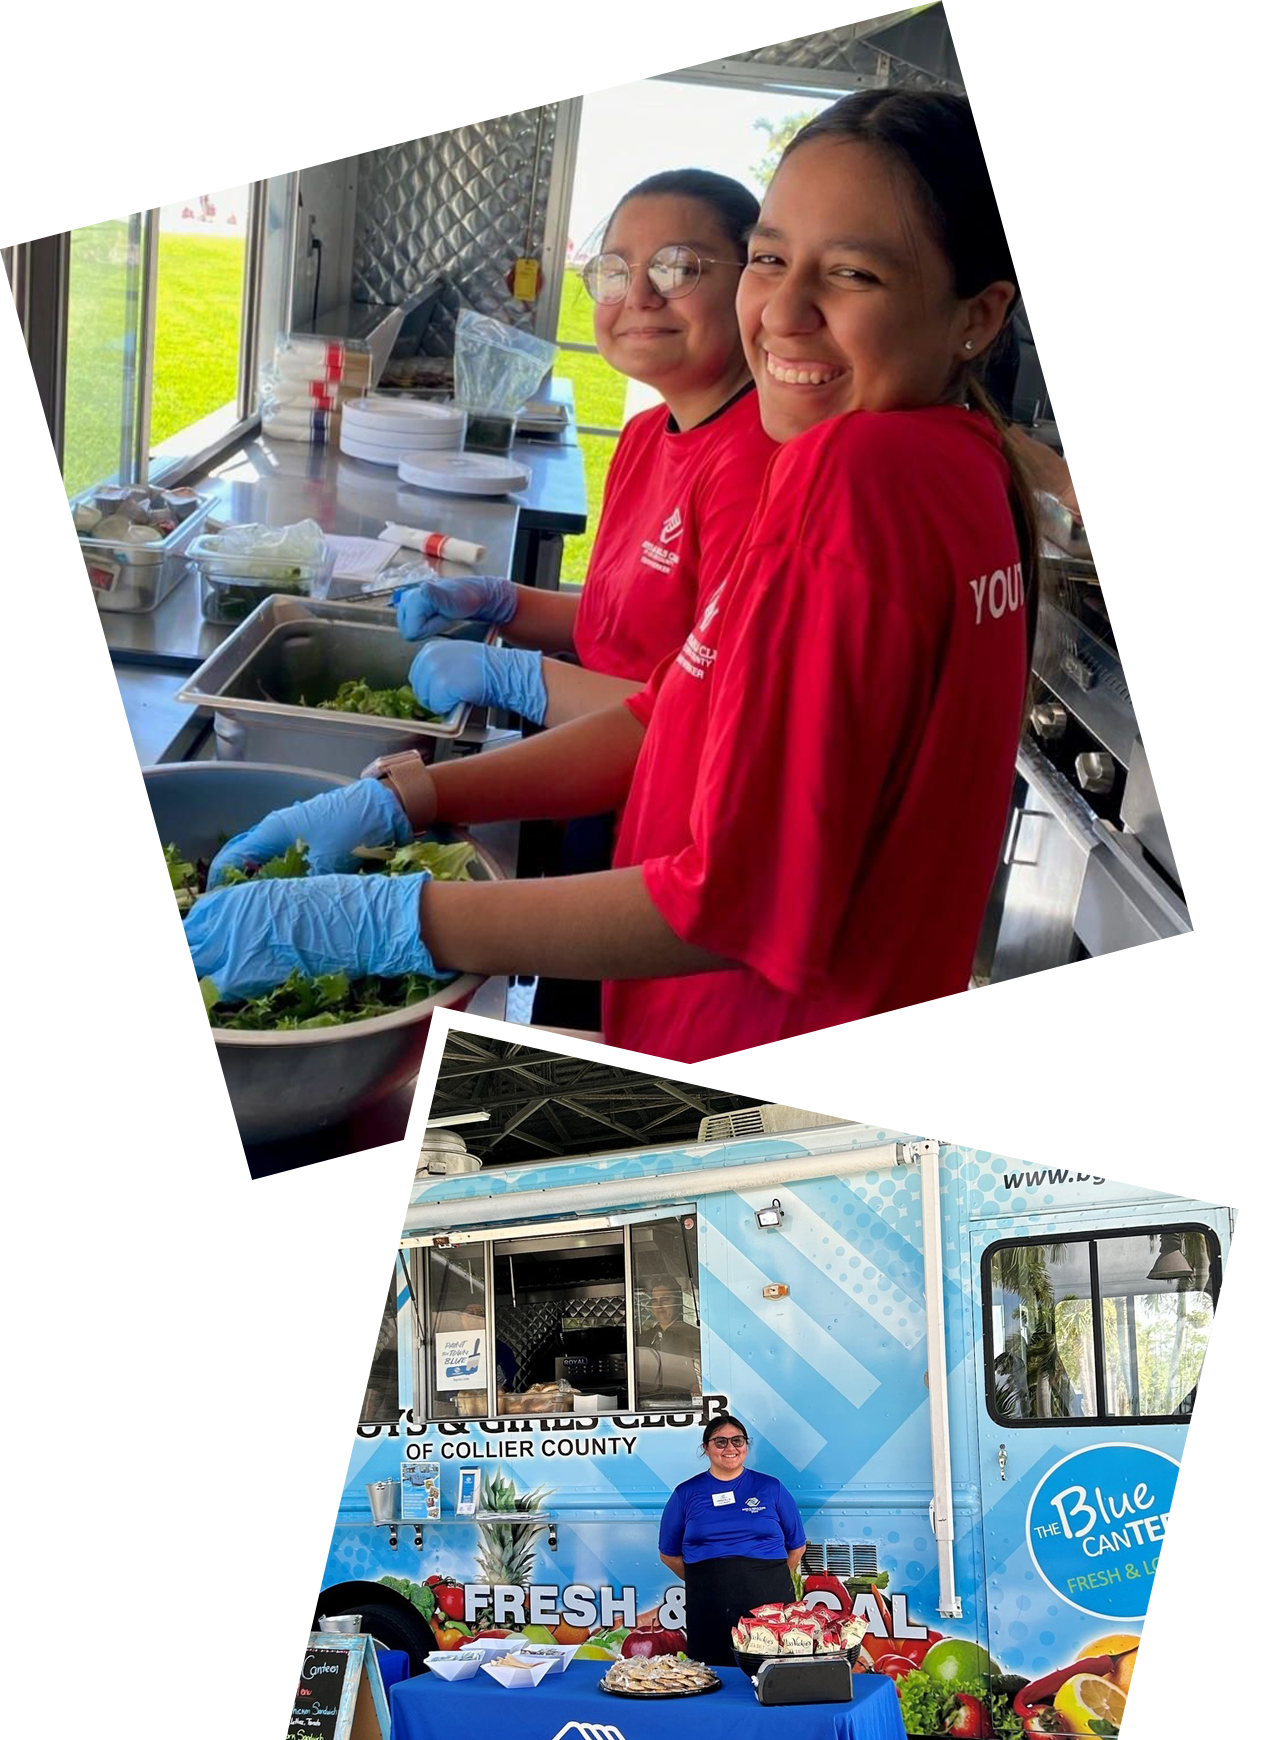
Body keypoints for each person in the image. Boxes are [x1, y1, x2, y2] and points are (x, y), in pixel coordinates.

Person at [162, 89, 1035, 1119]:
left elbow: (723, 904)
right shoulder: (959, 469)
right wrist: (420, 800)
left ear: (976, 314)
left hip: (741, 1104)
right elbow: (682, 716)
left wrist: (391, 917)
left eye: (850, 273)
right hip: (813, 1082)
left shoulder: (853, 476)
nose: (786, 311)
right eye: (770, 257)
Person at [393, 167, 776, 733]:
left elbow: (708, 722)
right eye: (616, 271)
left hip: (657, 796)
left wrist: (516, 678)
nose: (640, 296)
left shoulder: (759, 466)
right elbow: (618, 631)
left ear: (754, 285)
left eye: (677, 268)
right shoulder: (647, 434)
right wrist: (501, 602)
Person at [971, 64, 1160, 536]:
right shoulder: (932, 235)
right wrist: (1064, 477)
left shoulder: (981, 238)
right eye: (1051, 167)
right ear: (1003, 135)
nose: (1053, 191)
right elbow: (950, 409)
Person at [658, 1414, 805, 1667]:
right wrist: (704, 1578)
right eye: (720, 1442)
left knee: (774, 1674)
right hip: (708, 1603)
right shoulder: (686, 1493)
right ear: (706, 1448)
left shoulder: (771, 1488)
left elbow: (797, 1545)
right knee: (712, 1675)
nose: (730, 1448)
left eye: (737, 1441)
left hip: (768, 1601)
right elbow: (668, 1553)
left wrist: (769, 1577)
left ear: (746, 1445)